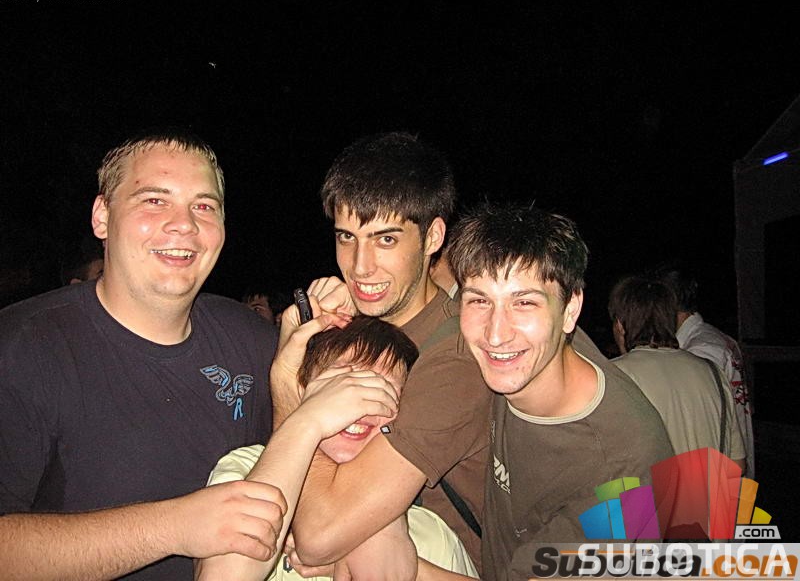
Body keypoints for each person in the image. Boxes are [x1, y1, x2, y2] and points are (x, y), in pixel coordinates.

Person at [0, 130, 286, 580]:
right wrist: (175, 527)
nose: (184, 225)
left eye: (204, 206)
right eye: (154, 200)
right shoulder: (22, 347)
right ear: (102, 216)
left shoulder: (250, 337)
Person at [260, 131, 491, 575]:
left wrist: (288, 386)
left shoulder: (456, 356)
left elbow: (318, 535)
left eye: (386, 240)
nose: (360, 266)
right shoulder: (363, 332)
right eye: (347, 237)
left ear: (432, 237)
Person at [444, 202, 673, 580]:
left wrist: (401, 563)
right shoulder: (547, 346)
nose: (495, 334)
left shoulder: (623, 475)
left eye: (524, 302)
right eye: (480, 300)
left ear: (570, 310)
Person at [199, 316, 478, 580]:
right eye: (342, 384)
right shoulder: (247, 469)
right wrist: (307, 419)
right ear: (304, 388)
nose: (359, 406)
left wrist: (406, 569)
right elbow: (224, 574)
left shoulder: (429, 530)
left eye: (382, 390)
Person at [608, 275, 745, 469]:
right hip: (710, 488)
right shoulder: (714, 373)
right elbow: (738, 464)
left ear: (620, 325)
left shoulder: (612, 376)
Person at [654, 261, 754, 476]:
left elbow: (697, 422)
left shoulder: (702, 351)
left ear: (667, 303)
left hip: (718, 474)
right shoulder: (716, 339)